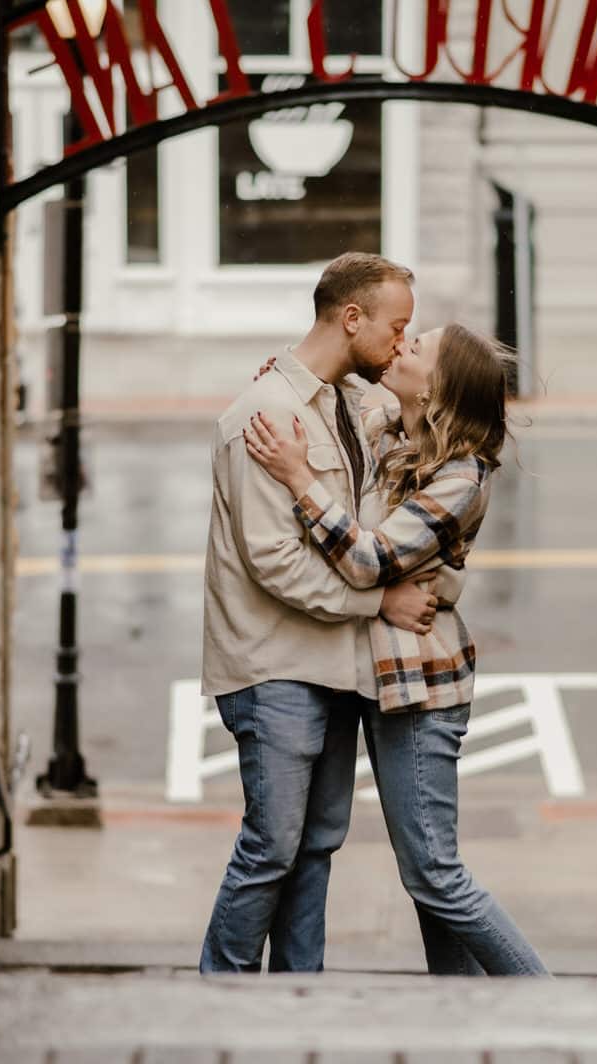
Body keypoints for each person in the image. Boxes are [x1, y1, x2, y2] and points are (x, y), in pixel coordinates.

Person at [242, 322, 549, 976]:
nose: (402, 346)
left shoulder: (461, 475)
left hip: (424, 687)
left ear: (438, 385)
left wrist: (299, 479)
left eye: (419, 347)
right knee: (426, 886)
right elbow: (337, 411)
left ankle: (545, 998)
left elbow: (367, 559)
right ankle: (460, 1014)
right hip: (377, 678)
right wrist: (285, 386)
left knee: (435, 873)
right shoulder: (392, 429)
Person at [198, 252, 448, 973]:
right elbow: (273, 561)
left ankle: (300, 1000)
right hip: (274, 666)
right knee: (272, 844)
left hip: (334, 665)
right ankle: (220, 992)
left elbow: (382, 481)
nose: (403, 343)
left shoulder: (345, 404)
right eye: (397, 328)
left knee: (315, 845)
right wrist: (380, 600)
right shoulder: (265, 415)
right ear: (350, 318)